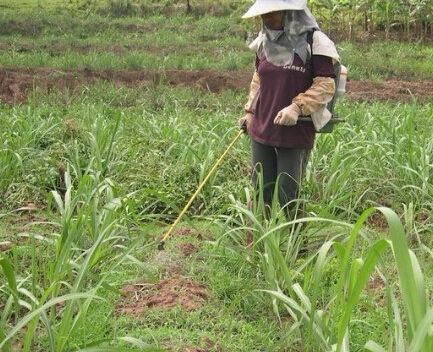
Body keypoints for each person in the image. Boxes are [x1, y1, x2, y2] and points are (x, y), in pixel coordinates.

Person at [238, 0, 340, 237]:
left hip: (295, 130)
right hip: (263, 127)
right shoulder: (264, 42)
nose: (268, 19)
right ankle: (255, 248)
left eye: (273, 13)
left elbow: (326, 84)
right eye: (265, 14)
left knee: (288, 192)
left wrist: (297, 107)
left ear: (290, 13)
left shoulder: (314, 41)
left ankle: (297, 247)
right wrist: (249, 112)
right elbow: (258, 81)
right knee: (260, 189)